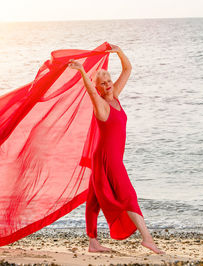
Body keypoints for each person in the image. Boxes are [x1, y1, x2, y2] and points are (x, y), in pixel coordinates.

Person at [68, 44, 165, 254]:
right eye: (103, 84)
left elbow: (128, 69)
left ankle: (93, 243)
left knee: (93, 199)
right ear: (100, 88)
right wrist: (83, 72)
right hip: (106, 159)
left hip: (108, 158)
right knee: (129, 195)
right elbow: (89, 91)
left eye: (109, 81)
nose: (108, 85)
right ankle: (147, 238)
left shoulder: (116, 97)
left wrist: (119, 52)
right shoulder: (101, 105)